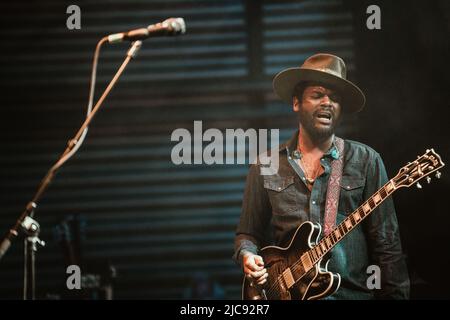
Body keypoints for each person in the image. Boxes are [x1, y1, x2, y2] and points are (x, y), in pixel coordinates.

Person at [233, 53, 410, 299]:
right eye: (317, 95)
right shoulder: (265, 165)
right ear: (296, 103)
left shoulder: (366, 161)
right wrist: (247, 255)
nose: (327, 102)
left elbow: (388, 248)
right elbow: (248, 234)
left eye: (335, 98)